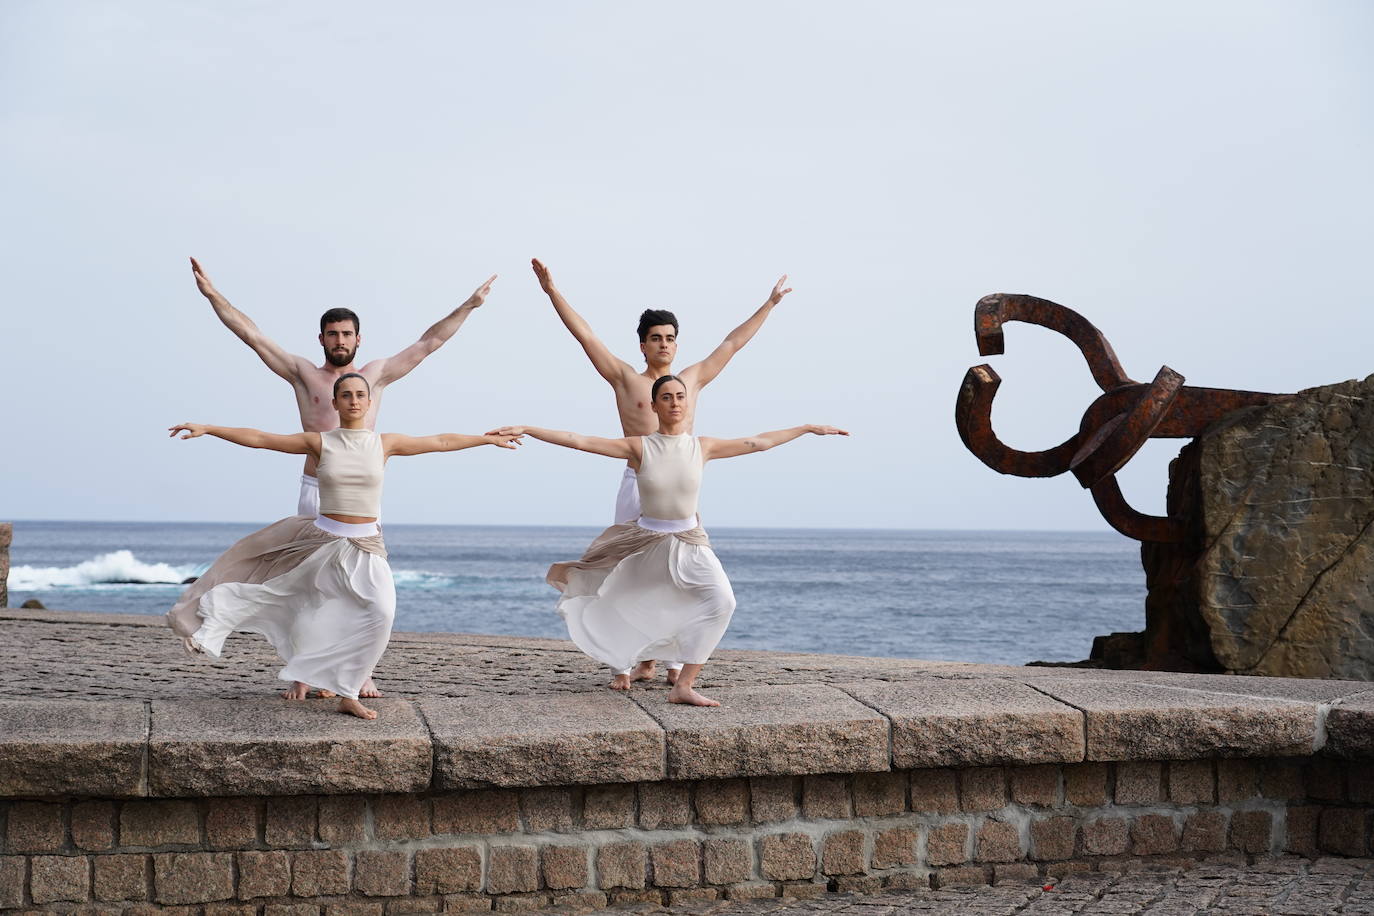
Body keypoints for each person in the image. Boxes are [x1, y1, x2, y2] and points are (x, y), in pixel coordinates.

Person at [166, 373, 521, 720]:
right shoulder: (321, 442)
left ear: (369, 402)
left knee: (381, 614)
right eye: (346, 395)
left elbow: (441, 441)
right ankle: (341, 690)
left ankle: (347, 688)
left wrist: (485, 440)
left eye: (359, 395)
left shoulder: (385, 443)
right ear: (335, 403)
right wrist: (210, 428)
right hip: (324, 545)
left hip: (367, 545)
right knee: (307, 609)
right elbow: (261, 438)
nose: (353, 401)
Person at [490, 375, 847, 706]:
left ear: (687, 403)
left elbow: (759, 443)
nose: (675, 402)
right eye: (666, 397)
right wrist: (530, 429)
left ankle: (683, 686)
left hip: (690, 541)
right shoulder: (641, 447)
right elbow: (579, 441)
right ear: (654, 405)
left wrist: (805, 428)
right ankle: (625, 662)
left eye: (680, 396)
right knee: (619, 599)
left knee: (723, 601)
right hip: (646, 542)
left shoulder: (702, 447)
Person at [531, 258, 791, 687]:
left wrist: (769, 304)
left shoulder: (689, 381)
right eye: (656, 339)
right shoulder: (625, 380)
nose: (665, 345)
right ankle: (625, 662)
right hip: (637, 482)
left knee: (680, 572)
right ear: (643, 345)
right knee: (625, 569)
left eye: (670, 338)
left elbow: (731, 344)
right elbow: (585, 335)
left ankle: (671, 659)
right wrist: (552, 292)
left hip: (677, 488)